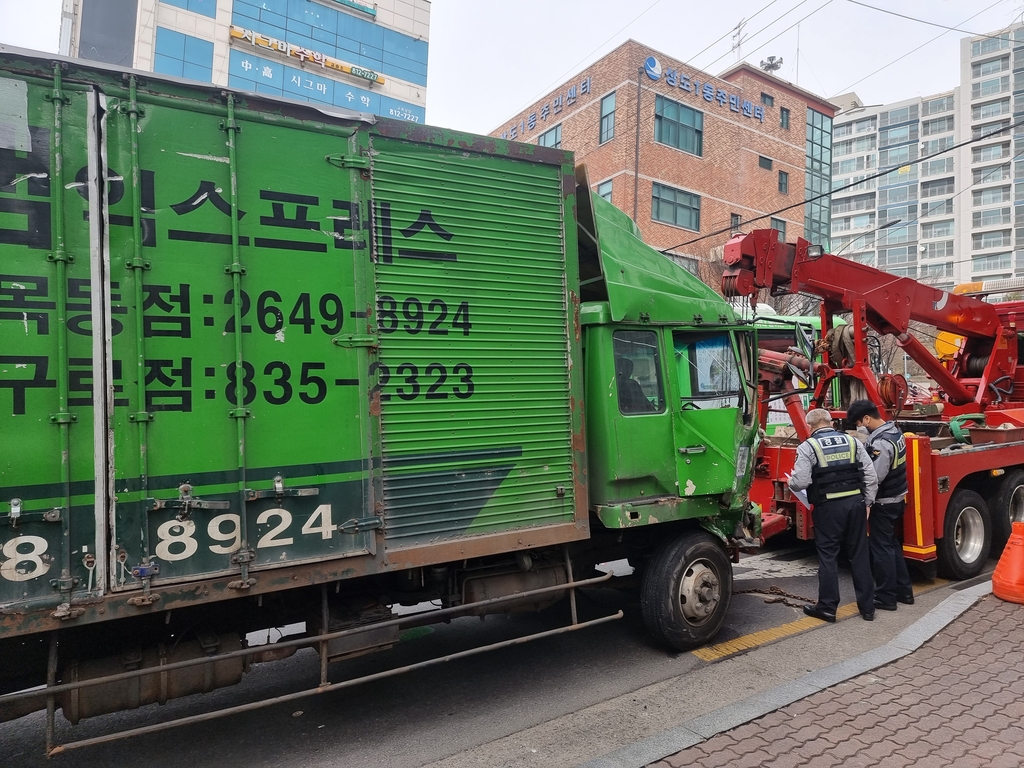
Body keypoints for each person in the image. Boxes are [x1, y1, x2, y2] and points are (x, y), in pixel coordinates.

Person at [789, 408, 878, 622]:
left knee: (828, 556)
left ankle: (828, 608)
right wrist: (867, 503)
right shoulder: (853, 442)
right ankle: (868, 609)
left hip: (828, 507)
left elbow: (800, 482)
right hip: (855, 504)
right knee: (859, 555)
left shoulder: (808, 447)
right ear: (830, 422)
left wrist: (790, 482)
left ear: (810, 426)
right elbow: (870, 475)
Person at [847, 399, 915, 611]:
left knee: (881, 549)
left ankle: (886, 596)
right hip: (897, 498)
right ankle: (904, 591)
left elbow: (874, 477)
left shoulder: (880, 443)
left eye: (859, 423)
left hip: (884, 502)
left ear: (867, 418)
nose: (860, 427)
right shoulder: (894, 432)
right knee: (892, 545)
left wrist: (866, 502)